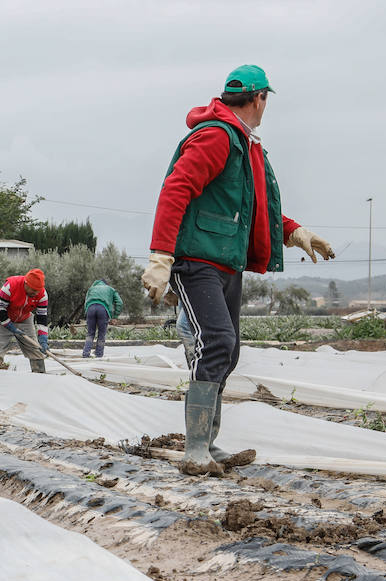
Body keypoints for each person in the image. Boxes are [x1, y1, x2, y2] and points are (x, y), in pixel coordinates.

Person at [141, 64, 334, 475]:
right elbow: (176, 189)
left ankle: (207, 444)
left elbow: (252, 208)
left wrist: (295, 232)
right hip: (197, 261)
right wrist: (161, 257)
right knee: (216, 342)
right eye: (266, 100)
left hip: (226, 262)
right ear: (260, 98)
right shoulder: (216, 137)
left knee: (229, 350)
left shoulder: (245, 144)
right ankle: (194, 449)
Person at [0, 268, 49, 373]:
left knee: (35, 348)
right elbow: (0, 310)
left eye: (38, 290)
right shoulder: (10, 287)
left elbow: (42, 317)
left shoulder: (42, 295)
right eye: (33, 290)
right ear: (26, 283)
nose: (36, 293)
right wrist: (10, 326)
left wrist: (43, 338)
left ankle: (40, 373)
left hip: (24, 316)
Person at [81, 279, 122, 358]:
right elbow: (119, 302)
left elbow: (85, 302)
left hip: (90, 308)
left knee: (90, 333)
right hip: (103, 309)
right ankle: (99, 354)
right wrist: (115, 316)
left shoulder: (91, 289)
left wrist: (87, 312)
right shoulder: (110, 289)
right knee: (101, 334)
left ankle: (86, 353)